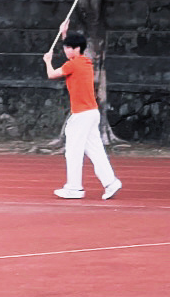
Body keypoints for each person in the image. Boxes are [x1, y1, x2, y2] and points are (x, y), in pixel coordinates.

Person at [42, 22, 121, 200]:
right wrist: (64, 33)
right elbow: (72, 53)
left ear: (76, 49)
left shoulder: (74, 65)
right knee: (95, 150)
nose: (65, 50)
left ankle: (74, 187)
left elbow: (52, 74)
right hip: (91, 113)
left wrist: (47, 61)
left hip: (81, 114)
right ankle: (110, 182)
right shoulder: (85, 61)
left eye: (68, 48)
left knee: (73, 150)